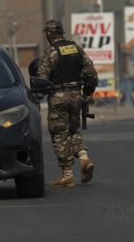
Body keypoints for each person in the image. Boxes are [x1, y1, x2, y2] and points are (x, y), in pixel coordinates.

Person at [37, 19, 98, 187]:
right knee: (73, 130)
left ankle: (67, 175)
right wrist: (87, 94)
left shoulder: (50, 52)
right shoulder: (76, 48)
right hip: (76, 96)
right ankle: (84, 157)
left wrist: (35, 99)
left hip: (58, 97)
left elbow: (41, 80)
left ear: (50, 34)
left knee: (59, 134)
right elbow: (91, 73)